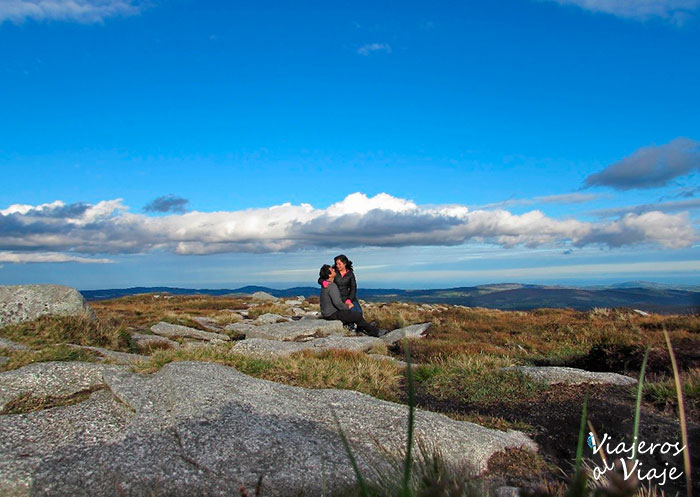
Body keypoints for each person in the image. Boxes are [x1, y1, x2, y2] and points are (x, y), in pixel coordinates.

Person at [318, 264, 385, 337]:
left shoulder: (326, 284)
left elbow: (321, 279)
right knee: (356, 316)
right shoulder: (331, 286)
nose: (334, 269)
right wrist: (347, 307)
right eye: (332, 270)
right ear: (329, 275)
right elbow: (337, 303)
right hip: (331, 314)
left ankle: (363, 328)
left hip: (328, 313)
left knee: (354, 314)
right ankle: (374, 332)